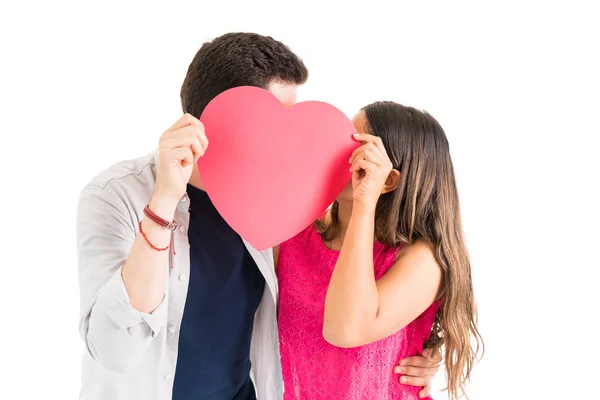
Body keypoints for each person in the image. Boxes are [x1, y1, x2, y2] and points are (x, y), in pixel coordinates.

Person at [77, 33, 441, 400]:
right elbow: (112, 349)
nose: (290, 141)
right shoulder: (114, 195)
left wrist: (412, 342)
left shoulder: (284, 211)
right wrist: (164, 201)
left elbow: (327, 314)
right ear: (225, 121)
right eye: (272, 123)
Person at [276, 102, 483, 399]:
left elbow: (344, 330)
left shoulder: (422, 260)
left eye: (354, 146)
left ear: (388, 180)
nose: (331, 150)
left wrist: (364, 201)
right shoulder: (296, 230)